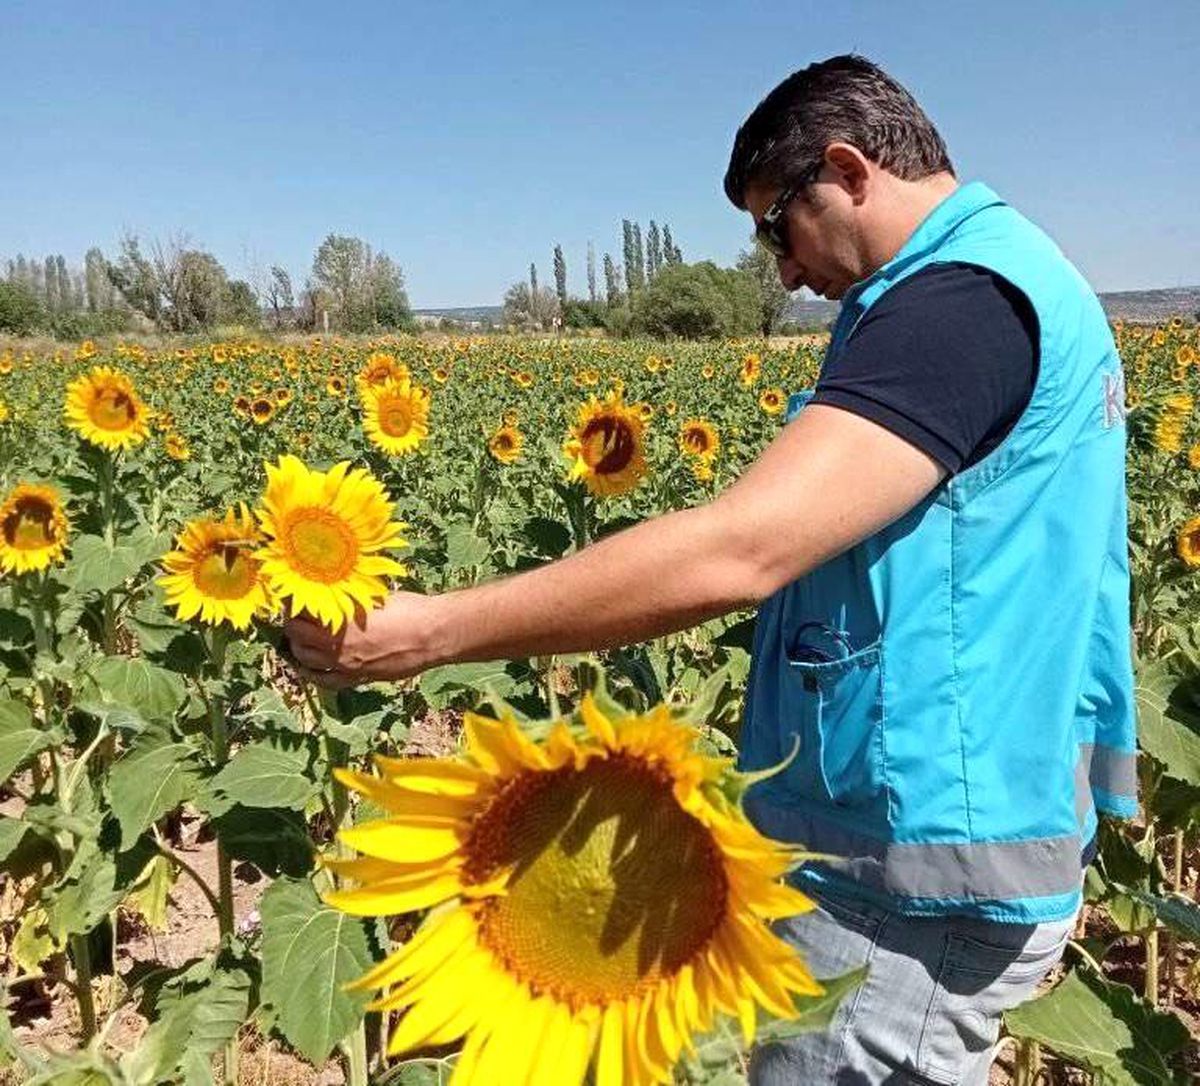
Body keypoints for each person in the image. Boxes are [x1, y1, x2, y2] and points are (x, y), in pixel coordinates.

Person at [284, 54, 1138, 1085]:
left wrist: (433, 632)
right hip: (945, 828)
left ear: (849, 171)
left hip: (909, 879)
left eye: (777, 225)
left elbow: (745, 548)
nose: (782, 272)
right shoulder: (1015, 280)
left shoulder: (959, 307)